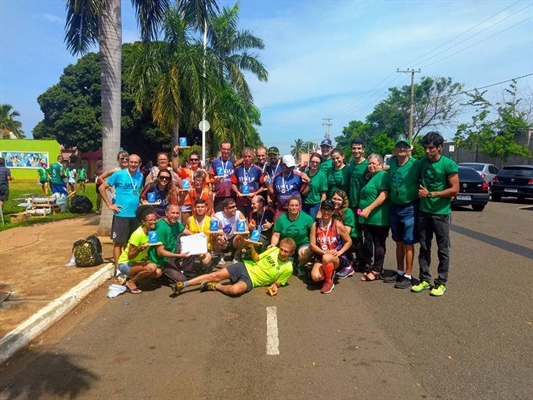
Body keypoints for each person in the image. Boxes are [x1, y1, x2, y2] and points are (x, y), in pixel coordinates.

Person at [412, 131, 459, 297]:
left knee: (443, 249)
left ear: (440, 147)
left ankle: (441, 282)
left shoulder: (448, 164)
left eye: (431, 148)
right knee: (424, 247)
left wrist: (431, 194)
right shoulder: (422, 162)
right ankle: (424, 279)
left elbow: (455, 189)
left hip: (441, 213)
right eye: (425, 148)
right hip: (424, 212)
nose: (427, 151)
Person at [170, 238, 296, 297]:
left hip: (251, 280)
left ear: (291, 253)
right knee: (214, 275)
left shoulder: (288, 267)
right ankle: (183, 285)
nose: (282, 253)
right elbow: (257, 258)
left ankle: (215, 286)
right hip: (245, 266)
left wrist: (275, 287)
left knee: (235, 291)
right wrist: (251, 247)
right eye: (282, 249)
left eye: (286, 252)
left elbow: (278, 283)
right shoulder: (274, 250)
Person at [383, 138, 421, 289]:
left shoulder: (415, 164)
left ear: (409, 149)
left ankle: (408, 274)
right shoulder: (392, 163)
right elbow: (386, 170)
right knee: (398, 242)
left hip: (409, 208)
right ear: (394, 149)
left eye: (404, 146)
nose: (401, 149)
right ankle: (399, 271)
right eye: (399, 146)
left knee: (408, 242)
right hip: (395, 207)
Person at [98, 154, 144, 269]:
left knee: (131, 243)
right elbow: (101, 187)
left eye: (136, 162)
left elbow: (136, 191)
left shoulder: (140, 176)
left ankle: (128, 265)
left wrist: (142, 200)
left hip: (135, 215)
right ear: (128, 162)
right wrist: (109, 204)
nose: (133, 164)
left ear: (139, 164)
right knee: (118, 243)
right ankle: (118, 269)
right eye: (131, 162)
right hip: (121, 215)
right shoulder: (118, 174)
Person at [358, 154, 391, 282]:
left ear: (381, 165)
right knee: (369, 241)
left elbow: (383, 195)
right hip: (368, 219)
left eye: (374, 163)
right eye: (369, 163)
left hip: (378, 218)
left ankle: (377, 270)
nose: (371, 166)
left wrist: (368, 208)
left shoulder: (383, 176)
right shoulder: (371, 177)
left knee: (379, 243)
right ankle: (372, 267)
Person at [309, 200, 352, 294]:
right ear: (320, 209)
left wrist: (340, 252)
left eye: (329, 210)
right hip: (322, 255)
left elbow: (349, 241)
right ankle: (328, 270)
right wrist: (324, 252)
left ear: (333, 212)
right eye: (324, 209)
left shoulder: (338, 225)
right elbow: (312, 245)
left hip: (336, 257)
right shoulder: (315, 225)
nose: (326, 212)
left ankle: (329, 281)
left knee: (327, 258)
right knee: (316, 277)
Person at [116, 205, 159, 294]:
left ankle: (134, 277)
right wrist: (140, 249)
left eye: (155, 219)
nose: (153, 222)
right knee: (152, 268)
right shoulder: (138, 235)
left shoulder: (151, 232)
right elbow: (130, 255)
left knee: (158, 272)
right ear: (143, 222)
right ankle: (131, 282)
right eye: (150, 220)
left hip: (136, 262)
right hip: (125, 263)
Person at [148, 203, 192, 284]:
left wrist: (201, 239)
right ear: (166, 213)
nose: (175, 215)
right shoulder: (161, 227)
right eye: (173, 213)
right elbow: (160, 252)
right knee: (182, 280)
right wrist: (179, 256)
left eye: (177, 213)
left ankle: (185, 270)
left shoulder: (175, 223)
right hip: (162, 260)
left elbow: (189, 233)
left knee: (191, 245)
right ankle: (161, 276)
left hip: (171, 253)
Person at [270, 196, 314, 276]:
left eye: (296, 205)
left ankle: (300, 265)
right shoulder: (281, 219)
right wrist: (273, 246)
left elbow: (314, 232)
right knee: (285, 266)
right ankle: (292, 260)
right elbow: (276, 235)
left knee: (304, 253)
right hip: (287, 245)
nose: (294, 208)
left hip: (302, 243)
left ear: (300, 206)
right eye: (292, 205)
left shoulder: (307, 218)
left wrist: (312, 244)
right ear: (287, 206)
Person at [346, 138, 371, 270]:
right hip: (352, 205)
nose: (356, 151)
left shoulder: (368, 165)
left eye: (359, 148)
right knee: (355, 234)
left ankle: (367, 260)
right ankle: (359, 259)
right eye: (354, 148)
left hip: (364, 206)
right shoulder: (350, 165)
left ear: (363, 149)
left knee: (367, 234)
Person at [331, 189, 361, 279]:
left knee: (335, 244)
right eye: (334, 198)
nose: (336, 201)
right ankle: (347, 259)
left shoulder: (348, 212)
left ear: (343, 201)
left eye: (339, 199)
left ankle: (348, 267)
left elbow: (346, 233)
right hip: (338, 237)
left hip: (353, 240)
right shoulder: (330, 211)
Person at [269, 155, 309, 221]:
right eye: (289, 167)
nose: (291, 168)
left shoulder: (298, 176)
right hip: (281, 208)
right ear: (282, 165)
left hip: (295, 208)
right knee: (277, 226)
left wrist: (308, 182)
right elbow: (274, 192)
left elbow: (304, 193)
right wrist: (267, 185)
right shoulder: (276, 177)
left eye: (292, 166)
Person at [172, 149, 207, 224]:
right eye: (191, 159)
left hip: (198, 201)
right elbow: (175, 168)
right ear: (189, 160)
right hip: (187, 201)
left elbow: (206, 186)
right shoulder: (186, 170)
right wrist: (175, 154)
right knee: (186, 224)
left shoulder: (203, 172)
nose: (194, 161)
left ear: (199, 160)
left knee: (199, 224)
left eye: (196, 159)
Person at [211, 198, 248, 263]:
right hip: (223, 240)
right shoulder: (218, 215)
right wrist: (219, 236)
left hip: (234, 240)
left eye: (235, 206)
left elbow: (246, 229)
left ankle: (237, 253)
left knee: (242, 237)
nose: (235, 208)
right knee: (216, 239)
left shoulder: (239, 213)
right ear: (225, 209)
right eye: (232, 207)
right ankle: (221, 254)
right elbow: (213, 232)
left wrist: (242, 232)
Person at [231, 147, 265, 218]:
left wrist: (256, 193)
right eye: (245, 156)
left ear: (252, 157)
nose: (247, 158)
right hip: (240, 201)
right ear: (243, 157)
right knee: (241, 222)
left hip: (253, 202)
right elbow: (233, 184)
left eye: (249, 156)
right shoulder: (238, 169)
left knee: (252, 223)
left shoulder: (258, 170)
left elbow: (263, 185)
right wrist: (237, 192)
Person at [182, 199, 213, 274]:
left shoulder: (211, 220)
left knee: (205, 261)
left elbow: (215, 234)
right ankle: (187, 269)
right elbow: (185, 233)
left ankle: (203, 266)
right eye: (198, 207)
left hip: (205, 247)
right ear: (194, 208)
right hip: (192, 245)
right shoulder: (189, 219)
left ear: (206, 208)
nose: (200, 209)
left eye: (202, 207)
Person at [209, 141, 235, 212]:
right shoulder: (215, 162)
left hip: (232, 195)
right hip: (219, 195)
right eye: (224, 149)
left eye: (227, 149)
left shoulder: (234, 162)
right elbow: (210, 179)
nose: (225, 151)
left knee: (231, 217)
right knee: (219, 217)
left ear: (230, 150)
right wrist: (216, 180)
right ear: (220, 149)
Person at [302, 152, 328, 219]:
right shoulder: (304, 174)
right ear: (309, 162)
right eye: (313, 162)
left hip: (314, 205)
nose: (314, 164)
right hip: (303, 204)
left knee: (312, 225)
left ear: (320, 164)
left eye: (317, 162)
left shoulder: (322, 176)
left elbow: (324, 195)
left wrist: (320, 210)